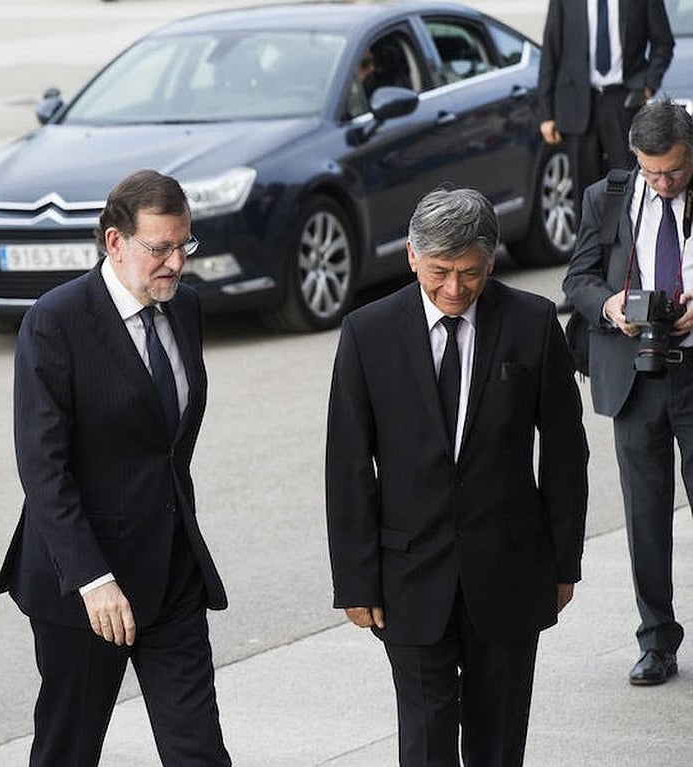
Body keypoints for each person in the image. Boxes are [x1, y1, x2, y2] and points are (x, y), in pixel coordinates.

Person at [326, 188, 588, 766]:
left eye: (469, 273)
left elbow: (566, 454)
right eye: (440, 271)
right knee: (425, 742)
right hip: (409, 577)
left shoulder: (533, 321)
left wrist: (563, 560)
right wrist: (355, 579)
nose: (453, 289)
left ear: (490, 263)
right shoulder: (368, 333)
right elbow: (347, 465)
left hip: (510, 570)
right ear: (412, 258)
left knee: (498, 742)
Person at [0, 169, 231, 766]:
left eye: (184, 245)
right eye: (160, 248)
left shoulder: (185, 309)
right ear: (115, 242)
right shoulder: (56, 322)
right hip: (84, 586)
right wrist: (92, 579)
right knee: (68, 751)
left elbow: (166, 444)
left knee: (199, 752)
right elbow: (43, 468)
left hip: (171, 571)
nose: (176, 263)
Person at [562, 99, 693, 686]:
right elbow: (579, 279)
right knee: (645, 517)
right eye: (652, 171)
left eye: (675, 171)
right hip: (635, 374)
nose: (663, 183)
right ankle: (656, 640)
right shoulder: (606, 197)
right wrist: (610, 306)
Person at [537, 0, 673, 211]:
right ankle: (589, 244)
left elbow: (663, 42)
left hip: (623, 101)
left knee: (632, 187)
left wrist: (648, 86)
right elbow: (551, 50)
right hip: (577, 104)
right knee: (585, 193)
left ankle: (631, 242)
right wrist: (546, 113)